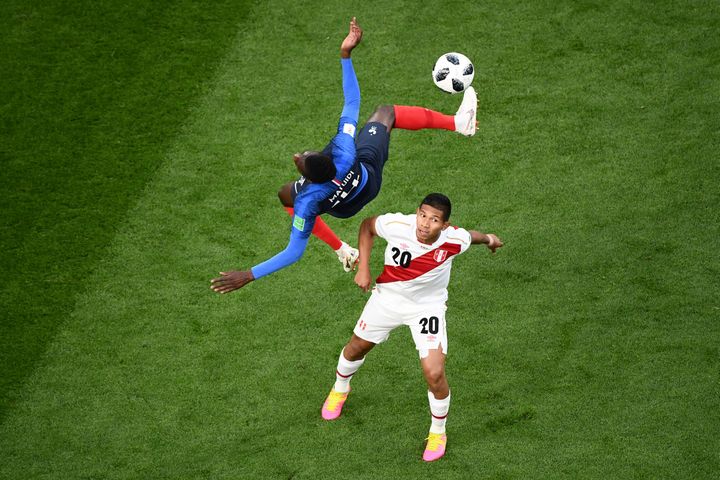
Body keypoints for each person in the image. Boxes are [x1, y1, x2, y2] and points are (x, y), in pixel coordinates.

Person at [211, 19, 478, 295]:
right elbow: (352, 101)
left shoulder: (307, 202)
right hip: (362, 176)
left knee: (286, 194)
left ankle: (460, 123)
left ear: (306, 175)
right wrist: (346, 55)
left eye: (301, 158)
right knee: (384, 114)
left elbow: (293, 253)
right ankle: (454, 123)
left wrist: (249, 274)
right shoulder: (344, 149)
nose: (299, 155)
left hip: (351, 197)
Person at [320, 193, 503, 462]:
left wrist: (489, 239)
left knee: (435, 373)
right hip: (388, 299)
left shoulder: (454, 239)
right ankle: (340, 388)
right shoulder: (397, 225)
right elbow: (368, 226)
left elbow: (471, 237)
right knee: (356, 347)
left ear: (445, 224)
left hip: (427, 308)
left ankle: (438, 432)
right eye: (423, 215)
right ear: (417, 212)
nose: (425, 224)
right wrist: (364, 268)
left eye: (434, 219)